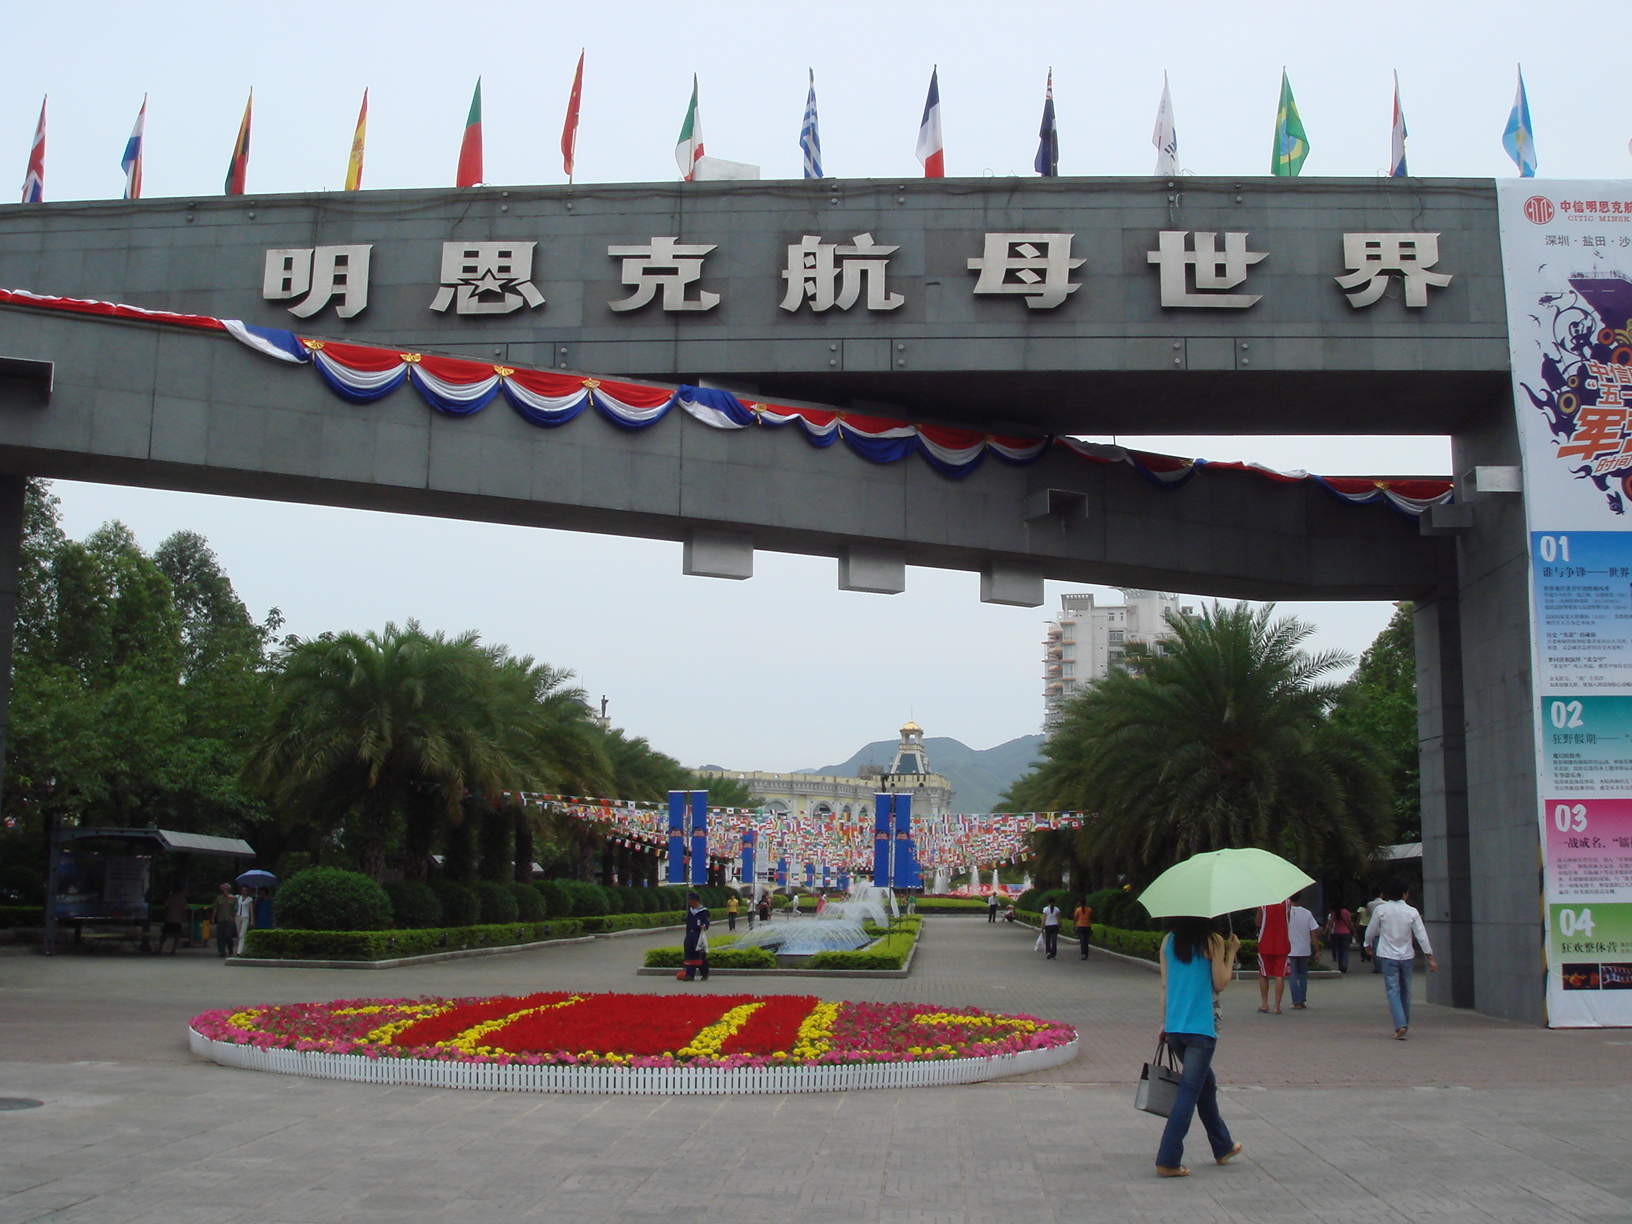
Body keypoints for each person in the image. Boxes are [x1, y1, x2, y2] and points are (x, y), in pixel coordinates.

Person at [1155, 916, 1244, 1177]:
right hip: (1201, 1030)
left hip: (1175, 1029)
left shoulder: (1169, 941)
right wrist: (1231, 952)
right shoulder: (1212, 940)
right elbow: (1220, 983)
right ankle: (1168, 1159)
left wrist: (1164, 1023)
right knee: (1188, 1092)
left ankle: (1223, 1146)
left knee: (1206, 1086)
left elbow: (1165, 985)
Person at [1363, 877, 1438, 1039]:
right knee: (1405, 991)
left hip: (1388, 956)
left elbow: (1371, 930)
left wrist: (1367, 944)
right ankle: (1404, 1024)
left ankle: (1400, 1025)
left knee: (1393, 990)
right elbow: (1421, 936)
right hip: (1406, 956)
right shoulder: (1412, 911)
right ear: (1405, 894)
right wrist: (1430, 957)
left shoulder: (1381, 910)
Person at [1256, 898, 1292, 1014]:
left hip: (1265, 942)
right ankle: (1277, 1006)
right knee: (1279, 975)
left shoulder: (1263, 903)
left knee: (1263, 974)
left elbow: (1258, 923)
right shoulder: (1287, 902)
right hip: (1282, 942)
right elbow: (1288, 919)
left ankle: (1264, 1003)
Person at [1286, 896, 1321, 1010]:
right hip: (1304, 949)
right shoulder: (1307, 913)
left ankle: (1296, 1001)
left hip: (1290, 950)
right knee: (1303, 976)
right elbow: (1313, 932)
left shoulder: (1285, 913)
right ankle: (1302, 999)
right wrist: (1317, 950)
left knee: (1292, 976)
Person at [678, 892, 711, 981]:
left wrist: (705, 926)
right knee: (689, 954)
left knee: (700, 955)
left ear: (695, 900)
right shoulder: (690, 911)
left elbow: (706, 921)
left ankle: (704, 973)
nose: (689, 901)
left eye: (690, 899)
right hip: (690, 935)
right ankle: (690, 974)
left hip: (698, 935)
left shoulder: (703, 911)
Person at [1324, 901, 1354, 973]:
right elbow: (1349, 922)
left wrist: (1328, 933)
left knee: (1339, 950)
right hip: (1346, 932)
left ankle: (1340, 965)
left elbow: (1330, 924)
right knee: (1345, 950)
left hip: (1337, 932)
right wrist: (1353, 931)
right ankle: (1344, 965)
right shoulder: (1346, 912)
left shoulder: (1333, 913)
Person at [158, 888, 189, 955]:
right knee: (176, 935)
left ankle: (160, 949)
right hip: (178, 919)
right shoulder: (183, 899)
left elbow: (166, 905)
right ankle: (174, 950)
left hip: (170, 918)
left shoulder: (171, 897)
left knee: (164, 934)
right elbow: (185, 909)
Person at [210, 883, 235, 959]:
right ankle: (222, 952)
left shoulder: (233, 898)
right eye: (223, 889)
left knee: (228, 935)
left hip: (230, 920)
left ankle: (230, 947)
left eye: (226, 889)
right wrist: (213, 919)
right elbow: (215, 909)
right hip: (221, 920)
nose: (225, 891)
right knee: (220, 937)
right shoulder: (219, 898)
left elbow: (236, 909)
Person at [233, 885, 255, 956]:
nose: (244, 892)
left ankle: (239, 951)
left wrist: (252, 920)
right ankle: (242, 948)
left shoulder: (249, 899)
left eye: (245, 890)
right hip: (238, 916)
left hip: (245, 917)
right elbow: (229, 896)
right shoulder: (238, 897)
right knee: (239, 934)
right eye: (243, 890)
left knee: (242, 934)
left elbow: (251, 910)